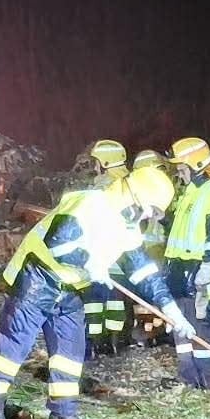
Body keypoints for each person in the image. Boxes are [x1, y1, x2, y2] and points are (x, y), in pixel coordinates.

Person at [0, 167, 196, 419]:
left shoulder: (128, 228)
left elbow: (143, 272)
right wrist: (91, 263)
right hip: (38, 278)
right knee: (14, 347)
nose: (146, 217)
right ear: (134, 197)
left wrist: (171, 310)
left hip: (71, 287)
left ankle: (63, 416)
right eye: (148, 210)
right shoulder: (88, 204)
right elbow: (58, 244)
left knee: (70, 352)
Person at [166, 137, 210, 392]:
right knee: (182, 333)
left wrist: (208, 267)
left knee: (204, 336)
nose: (178, 170)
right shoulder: (190, 193)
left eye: (181, 165)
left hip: (203, 279)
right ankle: (189, 381)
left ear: (196, 163)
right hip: (182, 277)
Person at [81, 139, 129, 356]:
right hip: (123, 258)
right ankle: (114, 343)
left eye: (96, 161)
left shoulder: (103, 187)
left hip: (100, 255)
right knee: (116, 302)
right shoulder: (128, 184)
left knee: (93, 302)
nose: (94, 166)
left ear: (104, 162)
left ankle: (92, 344)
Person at [128, 149, 172, 347]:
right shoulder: (158, 189)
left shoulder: (141, 188)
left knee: (150, 293)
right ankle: (152, 332)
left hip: (151, 249)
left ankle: (153, 332)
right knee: (151, 292)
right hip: (152, 250)